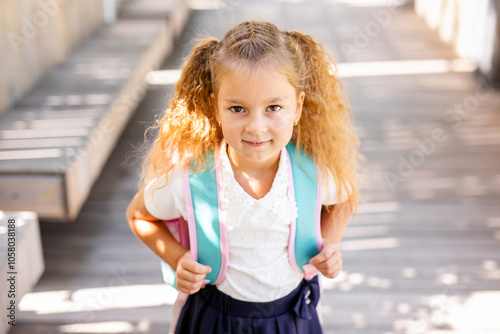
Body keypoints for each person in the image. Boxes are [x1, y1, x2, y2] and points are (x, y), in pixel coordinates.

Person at [126, 20, 362, 334]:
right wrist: (177, 258)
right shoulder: (191, 177)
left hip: (290, 319)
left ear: (298, 107)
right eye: (237, 108)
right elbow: (139, 215)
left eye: (274, 107)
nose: (255, 126)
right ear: (215, 107)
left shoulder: (312, 173)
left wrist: (329, 244)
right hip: (214, 318)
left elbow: (343, 199)